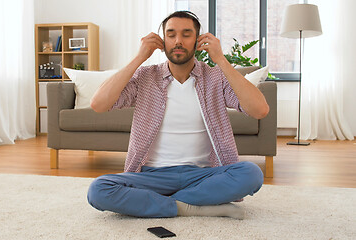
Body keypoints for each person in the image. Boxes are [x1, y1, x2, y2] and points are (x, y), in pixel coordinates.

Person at [87, 11, 269, 219]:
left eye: (186, 34)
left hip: (202, 175)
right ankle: (189, 205)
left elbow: (259, 110)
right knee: (99, 190)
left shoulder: (215, 77)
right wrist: (139, 58)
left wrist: (221, 60)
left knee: (251, 174)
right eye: (171, 35)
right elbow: (98, 104)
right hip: (152, 175)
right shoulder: (146, 76)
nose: (178, 41)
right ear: (162, 40)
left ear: (198, 40)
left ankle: (159, 203)